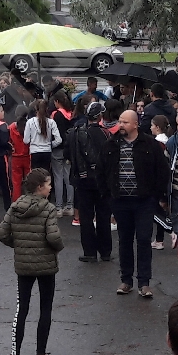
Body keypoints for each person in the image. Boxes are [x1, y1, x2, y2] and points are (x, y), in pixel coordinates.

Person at [0, 166, 65, 355]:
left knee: (22, 308)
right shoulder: (48, 209)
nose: (50, 188)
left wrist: (19, 245)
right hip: (46, 265)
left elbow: (2, 233)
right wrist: (58, 247)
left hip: (24, 265)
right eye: (49, 184)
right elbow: (53, 237)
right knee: (45, 308)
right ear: (40, 187)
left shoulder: (16, 207)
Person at [104, 109, 170, 300]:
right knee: (124, 240)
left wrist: (156, 196)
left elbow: (162, 171)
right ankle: (126, 280)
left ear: (135, 124)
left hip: (144, 202)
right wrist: (108, 196)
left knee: (143, 240)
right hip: (120, 201)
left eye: (125, 122)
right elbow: (102, 169)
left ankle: (144, 282)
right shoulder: (111, 144)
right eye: (120, 121)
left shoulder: (150, 144)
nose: (121, 125)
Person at [67, 102, 112, 262]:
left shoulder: (76, 133)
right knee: (103, 215)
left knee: (86, 216)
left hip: (83, 179)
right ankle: (105, 251)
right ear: (100, 116)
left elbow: (68, 154)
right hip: (102, 180)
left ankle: (89, 252)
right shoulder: (106, 134)